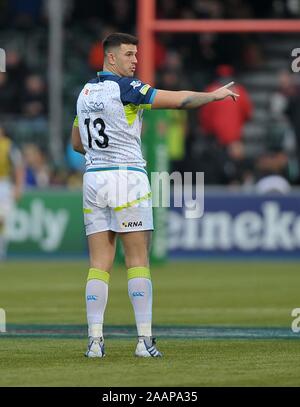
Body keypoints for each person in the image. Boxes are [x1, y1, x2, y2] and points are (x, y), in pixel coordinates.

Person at [71, 32, 238, 358]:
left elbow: (77, 143)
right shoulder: (128, 89)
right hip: (127, 178)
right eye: (130, 54)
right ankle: (144, 341)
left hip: (93, 179)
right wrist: (213, 96)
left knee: (98, 263)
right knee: (137, 259)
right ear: (111, 58)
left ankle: (94, 341)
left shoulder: (84, 92)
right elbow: (179, 100)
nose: (135, 61)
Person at [0, 126, 24, 260]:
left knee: (2, 219)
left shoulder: (8, 146)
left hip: (4, 184)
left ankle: (1, 251)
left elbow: (18, 165)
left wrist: (18, 187)